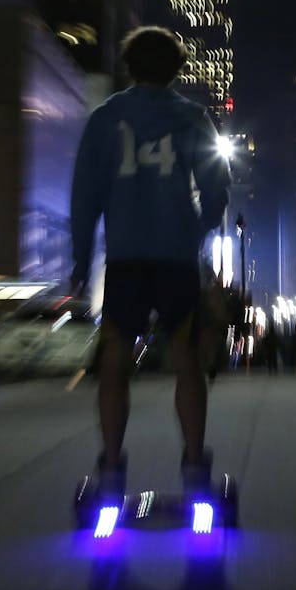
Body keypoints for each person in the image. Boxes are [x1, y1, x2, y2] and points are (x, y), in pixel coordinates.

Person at [69, 26, 231, 499]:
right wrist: (197, 228)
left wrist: (82, 260)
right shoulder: (193, 117)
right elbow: (218, 188)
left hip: (125, 258)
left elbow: (85, 196)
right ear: (178, 68)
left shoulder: (105, 118)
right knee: (186, 361)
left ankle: (113, 468)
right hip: (175, 258)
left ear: (129, 66)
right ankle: (195, 465)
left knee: (116, 359)